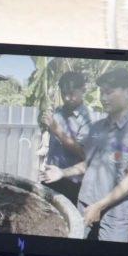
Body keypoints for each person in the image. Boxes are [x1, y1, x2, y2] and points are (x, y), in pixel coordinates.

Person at [41, 64, 128, 242]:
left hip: (114, 215)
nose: (103, 98)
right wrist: (62, 172)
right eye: (101, 92)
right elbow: (89, 163)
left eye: (109, 92)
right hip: (84, 205)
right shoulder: (97, 128)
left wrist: (100, 206)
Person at [40, 67, 93, 207]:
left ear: (83, 90)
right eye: (64, 94)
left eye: (71, 93)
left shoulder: (87, 119)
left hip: (71, 183)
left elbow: (83, 153)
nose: (67, 98)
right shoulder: (57, 112)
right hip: (50, 175)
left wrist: (57, 130)